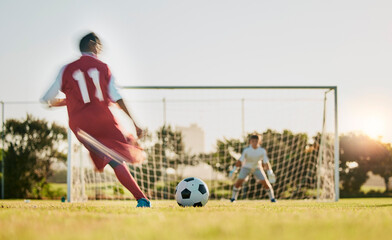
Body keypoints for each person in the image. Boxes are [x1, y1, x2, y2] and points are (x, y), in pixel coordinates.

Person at [41, 32, 151, 207]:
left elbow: (46, 98)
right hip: (104, 122)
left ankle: (142, 199)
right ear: (92, 45)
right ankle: (142, 199)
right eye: (99, 46)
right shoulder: (103, 67)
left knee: (113, 159)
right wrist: (134, 123)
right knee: (116, 159)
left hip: (81, 126)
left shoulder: (66, 69)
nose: (100, 50)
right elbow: (117, 97)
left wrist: (62, 102)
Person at [230, 134, 277, 203]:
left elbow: (266, 162)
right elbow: (240, 161)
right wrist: (234, 169)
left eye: (256, 141)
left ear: (259, 142)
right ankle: (233, 198)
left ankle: (272, 199)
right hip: (246, 167)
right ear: (250, 142)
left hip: (257, 167)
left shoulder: (262, 151)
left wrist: (270, 172)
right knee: (238, 183)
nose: (254, 143)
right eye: (253, 141)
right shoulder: (246, 150)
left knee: (266, 183)